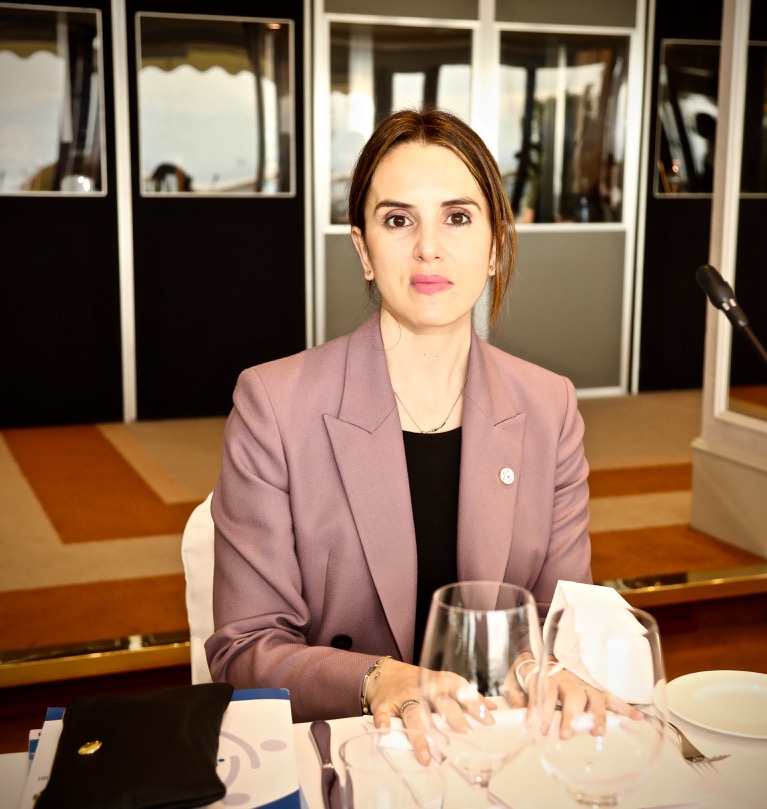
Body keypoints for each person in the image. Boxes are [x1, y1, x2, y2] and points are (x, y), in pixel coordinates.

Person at [205, 107, 604, 749]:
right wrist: (376, 679)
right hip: (349, 751)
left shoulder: (549, 405)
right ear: (363, 249)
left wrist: (538, 668)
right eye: (398, 220)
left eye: (457, 217)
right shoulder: (274, 405)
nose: (428, 247)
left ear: (495, 246)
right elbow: (244, 650)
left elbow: (561, 622)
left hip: (496, 745)